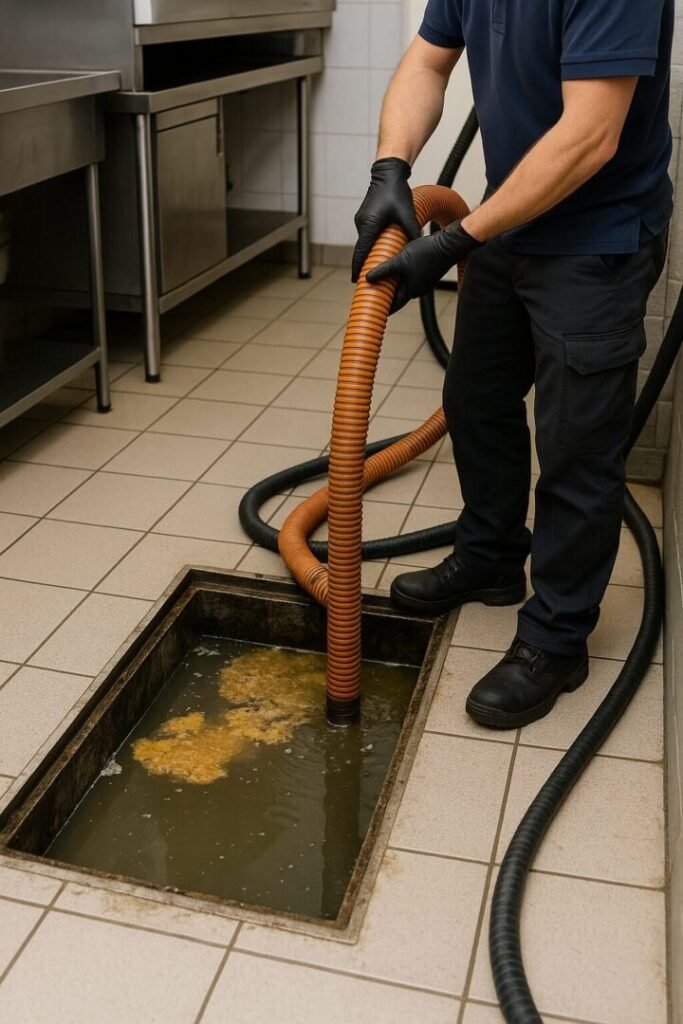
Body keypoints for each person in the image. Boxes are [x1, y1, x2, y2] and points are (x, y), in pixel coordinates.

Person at [353, 0, 674, 728]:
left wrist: (453, 240)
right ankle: (491, 553)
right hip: (510, 215)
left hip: (594, 238)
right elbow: (430, 58)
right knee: (476, 398)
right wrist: (390, 167)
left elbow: (590, 136)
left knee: (574, 448)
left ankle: (555, 639)